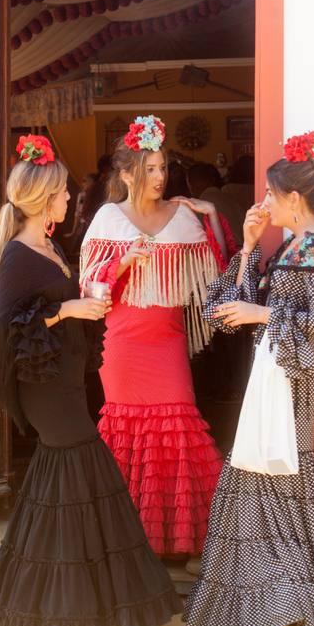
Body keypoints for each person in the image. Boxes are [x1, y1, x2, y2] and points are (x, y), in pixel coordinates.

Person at [0, 133, 182, 626]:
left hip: (63, 381)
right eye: (65, 194)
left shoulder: (48, 246)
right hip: (42, 388)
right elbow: (11, 324)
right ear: (46, 199)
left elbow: (64, 302)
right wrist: (68, 309)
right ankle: (67, 600)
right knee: (81, 463)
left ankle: (34, 591)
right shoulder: (21, 254)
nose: (71, 199)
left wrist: (101, 288)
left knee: (59, 477)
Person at [183, 131, 314, 626]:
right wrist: (248, 247)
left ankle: (296, 595)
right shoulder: (290, 244)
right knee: (261, 469)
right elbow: (229, 312)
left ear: (293, 199)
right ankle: (278, 597)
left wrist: (260, 312)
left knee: (282, 472)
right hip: (270, 370)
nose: (264, 202)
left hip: (293, 375)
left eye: (271, 194)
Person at [79, 115, 225, 560]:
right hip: (122, 345)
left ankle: (176, 543)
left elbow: (219, 273)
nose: (161, 178)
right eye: (152, 169)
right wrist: (122, 262)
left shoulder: (183, 215)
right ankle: (123, 541)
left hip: (167, 342)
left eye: (164, 168)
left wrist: (213, 216)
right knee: (125, 434)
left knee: (178, 429)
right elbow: (87, 288)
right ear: (126, 174)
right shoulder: (107, 218)